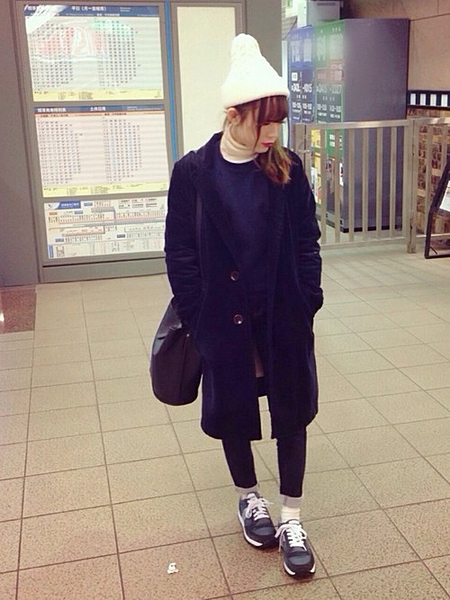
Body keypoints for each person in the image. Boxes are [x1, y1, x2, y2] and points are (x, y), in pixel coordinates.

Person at [164, 33, 323, 578]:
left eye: (278, 121)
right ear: (233, 115)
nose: (272, 133)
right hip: (223, 320)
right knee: (235, 409)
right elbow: (180, 253)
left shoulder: (287, 167)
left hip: (282, 315)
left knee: (292, 412)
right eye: (263, 121)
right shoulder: (193, 174)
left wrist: (308, 299)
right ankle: (249, 497)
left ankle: (292, 516)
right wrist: (199, 315)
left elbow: (307, 240)